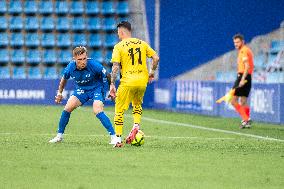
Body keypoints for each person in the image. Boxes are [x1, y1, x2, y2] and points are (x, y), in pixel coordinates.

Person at [49, 46, 117, 144]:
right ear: (74, 59)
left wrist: (111, 86)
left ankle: (114, 136)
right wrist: (60, 93)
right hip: (82, 89)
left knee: (97, 110)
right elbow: (64, 79)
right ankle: (59, 136)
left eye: (84, 58)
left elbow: (107, 75)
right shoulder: (70, 67)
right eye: (80, 59)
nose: (83, 61)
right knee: (67, 108)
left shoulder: (94, 65)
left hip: (96, 88)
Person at [109, 21, 160, 147]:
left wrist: (112, 84)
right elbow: (156, 58)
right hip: (142, 81)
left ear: (121, 31)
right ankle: (136, 125)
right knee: (137, 104)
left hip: (128, 81)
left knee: (119, 110)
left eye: (118, 32)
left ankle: (118, 139)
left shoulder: (119, 46)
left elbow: (115, 67)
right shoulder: (142, 43)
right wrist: (152, 72)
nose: (118, 34)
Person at [231, 34, 254, 129]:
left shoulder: (244, 51)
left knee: (233, 100)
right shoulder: (244, 50)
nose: (236, 44)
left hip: (243, 76)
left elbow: (247, 66)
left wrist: (242, 79)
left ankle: (246, 118)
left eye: (237, 42)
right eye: (234, 42)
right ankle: (246, 121)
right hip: (248, 76)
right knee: (243, 100)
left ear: (242, 42)